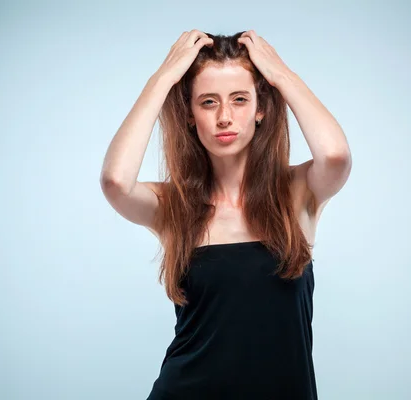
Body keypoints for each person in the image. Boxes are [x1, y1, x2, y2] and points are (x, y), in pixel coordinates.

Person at [100, 29, 351, 400]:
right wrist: (163, 78)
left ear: (260, 107)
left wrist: (280, 75)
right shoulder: (175, 206)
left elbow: (335, 156)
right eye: (208, 102)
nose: (224, 117)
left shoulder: (298, 192)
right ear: (189, 113)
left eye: (239, 99)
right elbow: (116, 182)